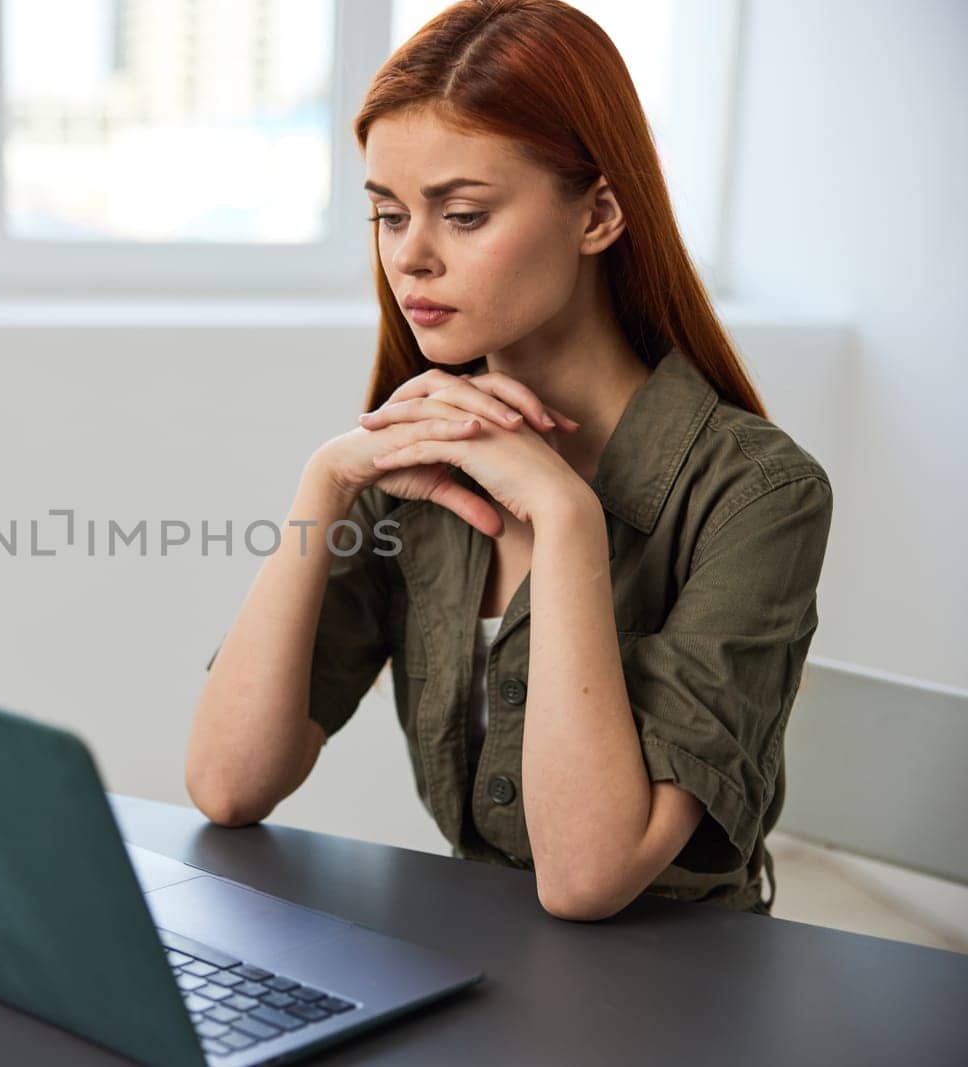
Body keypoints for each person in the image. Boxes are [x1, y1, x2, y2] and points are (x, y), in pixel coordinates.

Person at [184, 0, 834, 922]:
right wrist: (324, 481)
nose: (411, 258)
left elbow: (585, 877)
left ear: (599, 213)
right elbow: (227, 782)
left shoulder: (760, 494)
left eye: (463, 214)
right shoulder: (412, 467)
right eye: (388, 214)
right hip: (481, 967)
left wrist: (565, 516)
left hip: (683, 996)